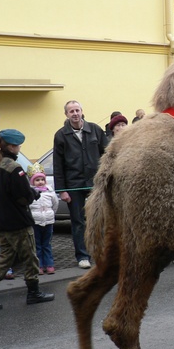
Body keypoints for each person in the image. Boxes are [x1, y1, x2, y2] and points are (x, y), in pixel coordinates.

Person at [0, 129, 55, 310]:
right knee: (30, 258)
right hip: (18, 221)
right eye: (18, 145)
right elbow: (22, 196)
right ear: (11, 146)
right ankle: (33, 292)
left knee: (4, 257)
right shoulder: (14, 168)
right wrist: (33, 194)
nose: (19, 148)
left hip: (1, 221)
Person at [53, 100, 108, 269]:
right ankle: (82, 256)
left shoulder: (95, 130)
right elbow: (58, 164)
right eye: (71, 111)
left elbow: (107, 154)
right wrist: (62, 190)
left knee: (98, 220)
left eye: (77, 110)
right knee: (78, 222)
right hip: (73, 185)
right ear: (66, 115)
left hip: (94, 183)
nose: (75, 114)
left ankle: (100, 253)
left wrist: (106, 179)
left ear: (82, 111)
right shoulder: (61, 135)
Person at [27, 163, 58, 274]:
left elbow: (55, 204)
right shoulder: (30, 193)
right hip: (36, 222)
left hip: (48, 221)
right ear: (32, 182)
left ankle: (49, 264)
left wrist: (51, 214)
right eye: (37, 180)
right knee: (37, 245)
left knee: (47, 244)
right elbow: (28, 206)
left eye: (42, 179)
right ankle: (39, 265)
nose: (40, 182)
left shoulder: (50, 192)